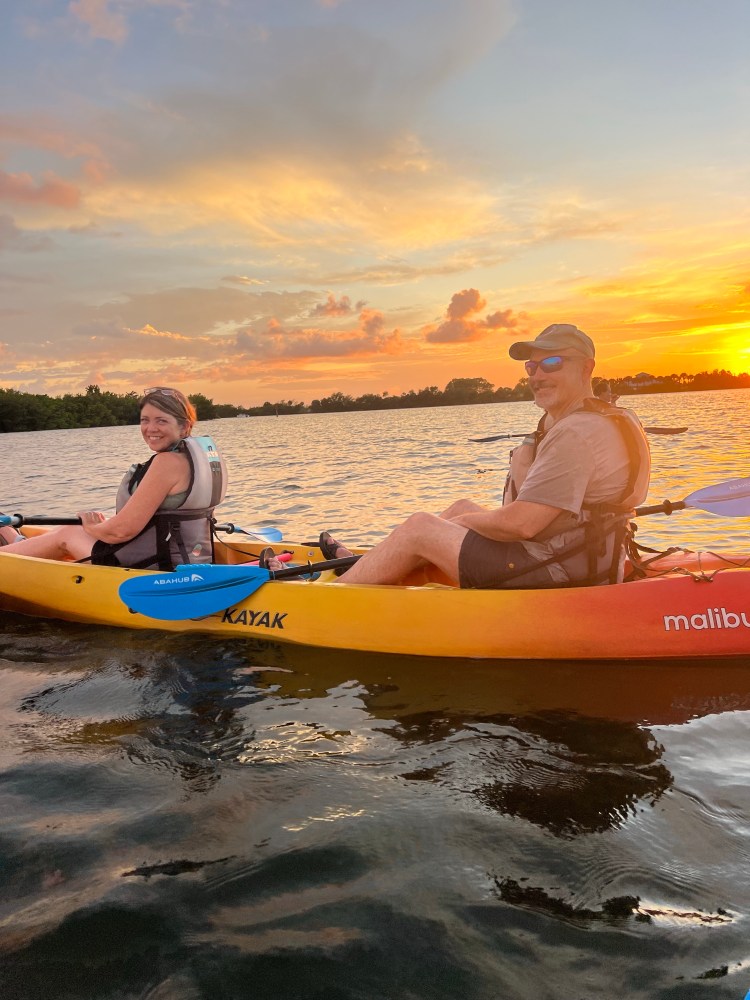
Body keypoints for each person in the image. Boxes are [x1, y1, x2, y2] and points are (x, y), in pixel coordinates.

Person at [291, 324, 650, 589]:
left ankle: (335, 592)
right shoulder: (605, 417)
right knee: (462, 506)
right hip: (585, 556)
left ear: (586, 368)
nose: (537, 374)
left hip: (558, 569)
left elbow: (521, 525)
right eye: (531, 367)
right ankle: (370, 568)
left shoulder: (575, 433)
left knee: (421, 526)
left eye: (552, 363)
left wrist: (455, 527)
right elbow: (552, 510)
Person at [0, 387, 227, 569]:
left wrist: (92, 526)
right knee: (68, 528)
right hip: (189, 558)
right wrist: (99, 526)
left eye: (161, 421)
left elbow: (121, 532)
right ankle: (20, 544)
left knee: (69, 533)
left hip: (152, 568)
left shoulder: (167, 462)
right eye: (145, 420)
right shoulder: (199, 457)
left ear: (185, 426)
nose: (150, 428)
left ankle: (13, 556)